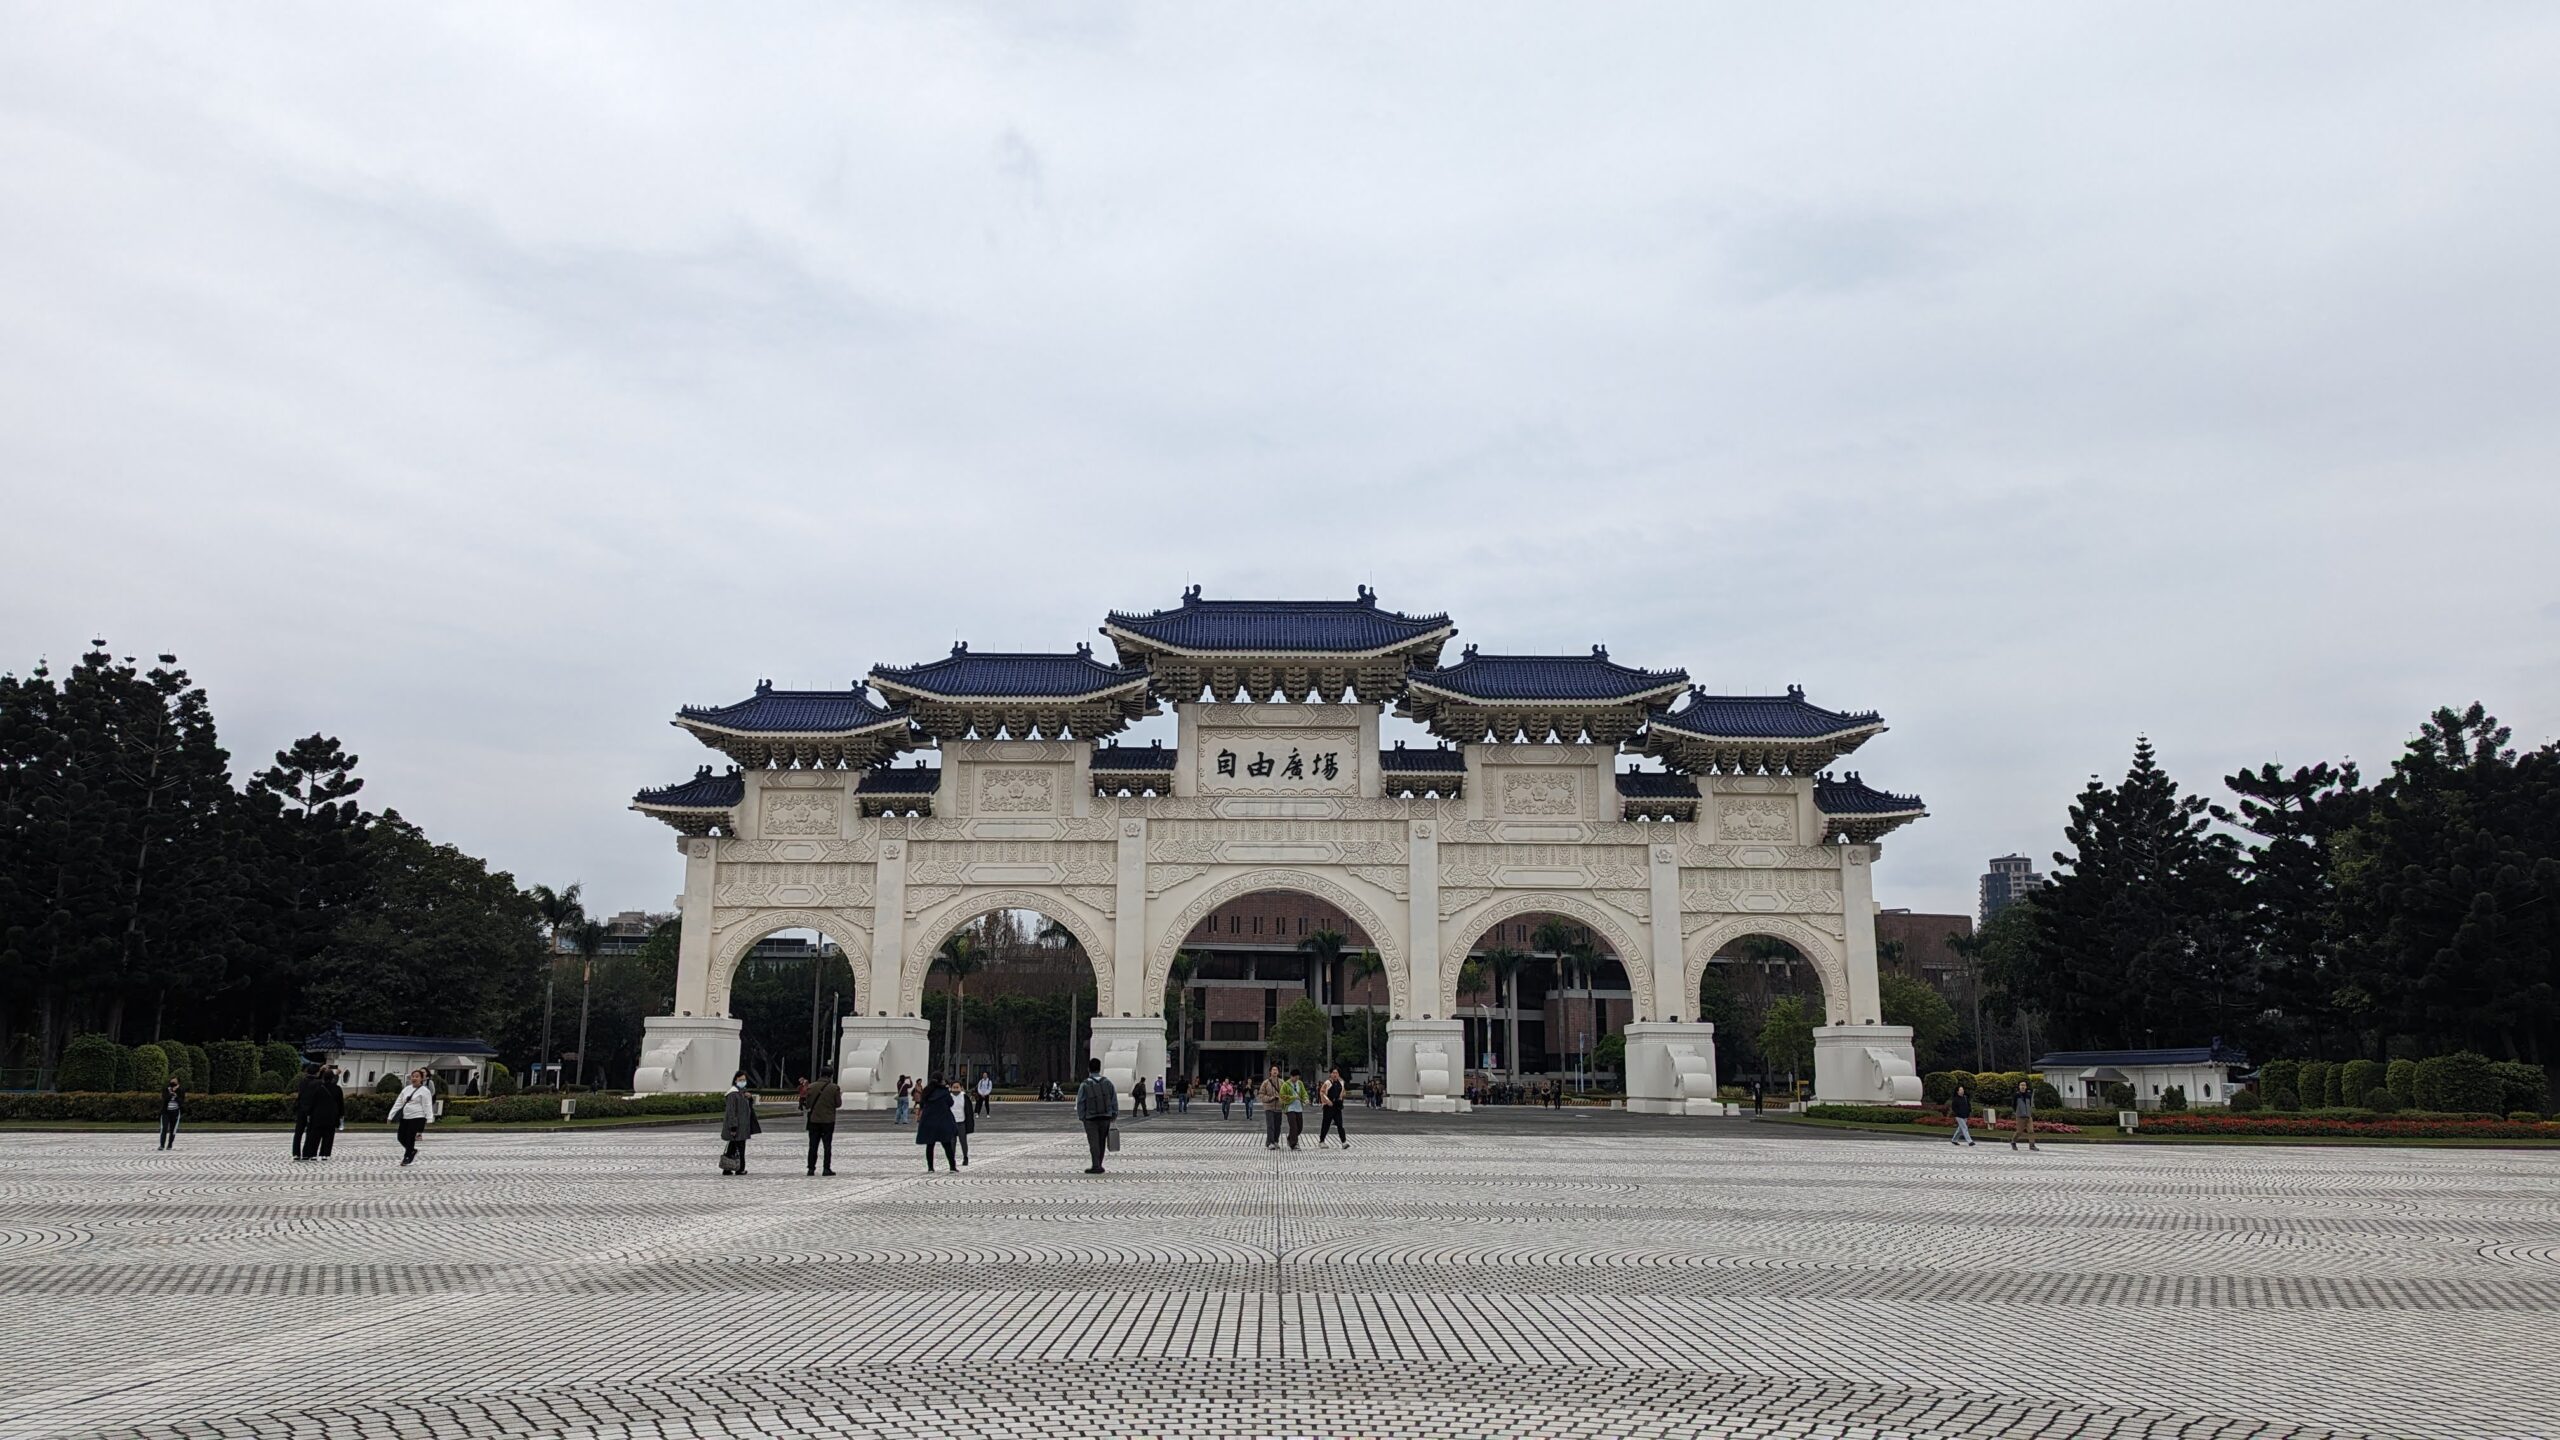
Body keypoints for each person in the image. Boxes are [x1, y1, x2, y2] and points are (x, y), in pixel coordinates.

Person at [1075, 1057, 1118, 1174]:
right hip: (1105, 1117)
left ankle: (1096, 1165)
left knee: (1093, 1142)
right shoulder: (1108, 1083)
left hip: (1090, 1118)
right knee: (1102, 1141)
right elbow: (1113, 1099)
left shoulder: (1085, 1084)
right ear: (1100, 1068)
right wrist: (1114, 1114)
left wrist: (1082, 1117)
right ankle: (1100, 1163)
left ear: (1089, 1069)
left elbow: (1080, 1102)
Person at [387, 1068, 435, 1166]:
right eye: (413, 1076)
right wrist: (390, 1116)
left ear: (421, 1079)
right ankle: (412, 1150)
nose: (414, 1078)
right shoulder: (406, 1089)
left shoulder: (425, 1091)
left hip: (417, 1117)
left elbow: (427, 1105)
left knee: (410, 1137)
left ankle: (407, 1157)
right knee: (400, 1137)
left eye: (417, 1077)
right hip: (405, 1117)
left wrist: (429, 1118)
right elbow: (398, 1103)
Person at [916, 1072, 960, 1172]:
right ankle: (952, 1166)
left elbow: (922, 1105)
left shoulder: (926, 1091)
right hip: (942, 1121)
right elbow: (951, 1103)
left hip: (929, 1122)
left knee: (930, 1145)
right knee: (947, 1145)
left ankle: (930, 1167)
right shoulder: (944, 1091)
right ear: (941, 1080)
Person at [298, 1067, 345, 1161]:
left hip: (318, 1116)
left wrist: (309, 1113)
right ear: (332, 1078)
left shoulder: (318, 1088)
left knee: (316, 1136)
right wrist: (341, 1115)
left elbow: (313, 1102)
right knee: (329, 1135)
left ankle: (313, 1154)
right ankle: (325, 1154)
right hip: (331, 1116)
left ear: (323, 1077)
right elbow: (341, 1103)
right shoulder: (337, 1089)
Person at [802, 1069, 841, 1175]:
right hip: (828, 1120)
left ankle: (811, 1169)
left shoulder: (811, 1087)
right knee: (827, 1146)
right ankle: (826, 1168)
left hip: (814, 1120)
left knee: (813, 1145)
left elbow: (808, 1104)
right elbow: (838, 1104)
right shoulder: (834, 1088)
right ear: (830, 1076)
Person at [720, 1072, 761, 1174]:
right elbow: (731, 1112)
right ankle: (740, 1169)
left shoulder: (742, 1093)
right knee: (740, 1148)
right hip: (737, 1127)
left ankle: (727, 1168)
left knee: (733, 1147)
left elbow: (747, 1107)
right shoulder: (732, 1094)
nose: (743, 1082)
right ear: (736, 1080)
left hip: (742, 1126)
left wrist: (750, 1098)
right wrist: (733, 1127)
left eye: (744, 1080)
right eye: (740, 1080)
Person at [289, 1062, 320, 1159]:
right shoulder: (317, 1083)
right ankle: (306, 1153)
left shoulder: (302, 1081)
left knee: (298, 1132)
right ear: (317, 1072)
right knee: (310, 1133)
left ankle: (296, 1153)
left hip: (301, 1109)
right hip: (312, 1110)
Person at [1318, 1067, 1349, 1149]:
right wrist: (1327, 1101)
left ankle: (1344, 1142)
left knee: (1340, 1124)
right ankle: (1322, 1141)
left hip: (1337, 1106)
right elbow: (1322, 1092)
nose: (1335, 1075)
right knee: (1326, 1124)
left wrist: (1341, 1100)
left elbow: (1342, 1092)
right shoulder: (1327, 1083)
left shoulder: (1341, 1082)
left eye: (1336, 1073)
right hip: (1328, 1106)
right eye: (1333, 1073)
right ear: (1330, 1074)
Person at [1282, 1069, 1310, 1150]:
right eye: (1295, 1077)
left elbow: (1304, 1093)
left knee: (1300, 1127)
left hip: (1298, 1108)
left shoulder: (1300, 1083)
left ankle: (1290, 1138)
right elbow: (1282, 1096)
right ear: (1291, 1076)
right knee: (1293, 1126)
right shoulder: (1285, 1085)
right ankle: (1294, 1144)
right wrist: (1293, 1097)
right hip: (1290, 1108)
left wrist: (1306, 1099)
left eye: (1298, 1077)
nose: (1296, 1079)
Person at [1258, 1065, 1284, 1149]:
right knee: (1270, 1125)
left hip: (1279, 1107)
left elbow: (1285, 1094)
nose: (1275, 1071)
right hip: (1269, 1107)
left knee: (1278, 1126)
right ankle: (1270, 1142)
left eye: (1276, 1070)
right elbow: (1261, 1095)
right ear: (1270, 1072)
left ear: (1278, 1072)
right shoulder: (1266, 1082)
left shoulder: (1282, 1082)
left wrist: (1282, 1099)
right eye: (1273, 1069)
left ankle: (1276, 1141)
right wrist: (1271, 1098)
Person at [2009, 1079, 2039, 1151]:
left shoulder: (2028, 1095)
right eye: (2021, 1085)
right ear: (2019, 1086)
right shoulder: (2016, 1095)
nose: (2023, 1087)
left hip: (2028, 1116)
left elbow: (2030, 1104)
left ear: (2026, 1086)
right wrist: (2017, 1112)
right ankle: (2013, 1141)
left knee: (2031, 1131)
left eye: (2024, 1085)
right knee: (2019, 1131)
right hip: (2020, 1116)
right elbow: (2013, 1105)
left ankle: (2032, 1145)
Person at [157, 1076, 185, 1150]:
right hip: (166, 1112)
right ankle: (162, 1145)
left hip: (175, 1112)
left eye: (175, 1082)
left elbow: (181, 1102)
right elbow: (164, 1099)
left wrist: (176, 1096)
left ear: (178, 1083)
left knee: (173, 1129)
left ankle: (170, 1144)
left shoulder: (181, 1090)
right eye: (172, 1081)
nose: (173, 1083)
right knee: (164, 1128)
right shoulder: (166, 1089)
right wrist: (171, 1093)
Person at [952, 1077, 973, 1167]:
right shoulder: (949, 1097)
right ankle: (952, 1159)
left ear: (961, 1087)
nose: (956, 1089)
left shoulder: (964, 1097)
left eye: (957, 1087)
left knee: (963, 1141)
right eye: (954, 1087)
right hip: (952, 1123)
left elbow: (969, 1111)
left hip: (961, 1122)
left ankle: (965, 1157)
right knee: (952, 1142)